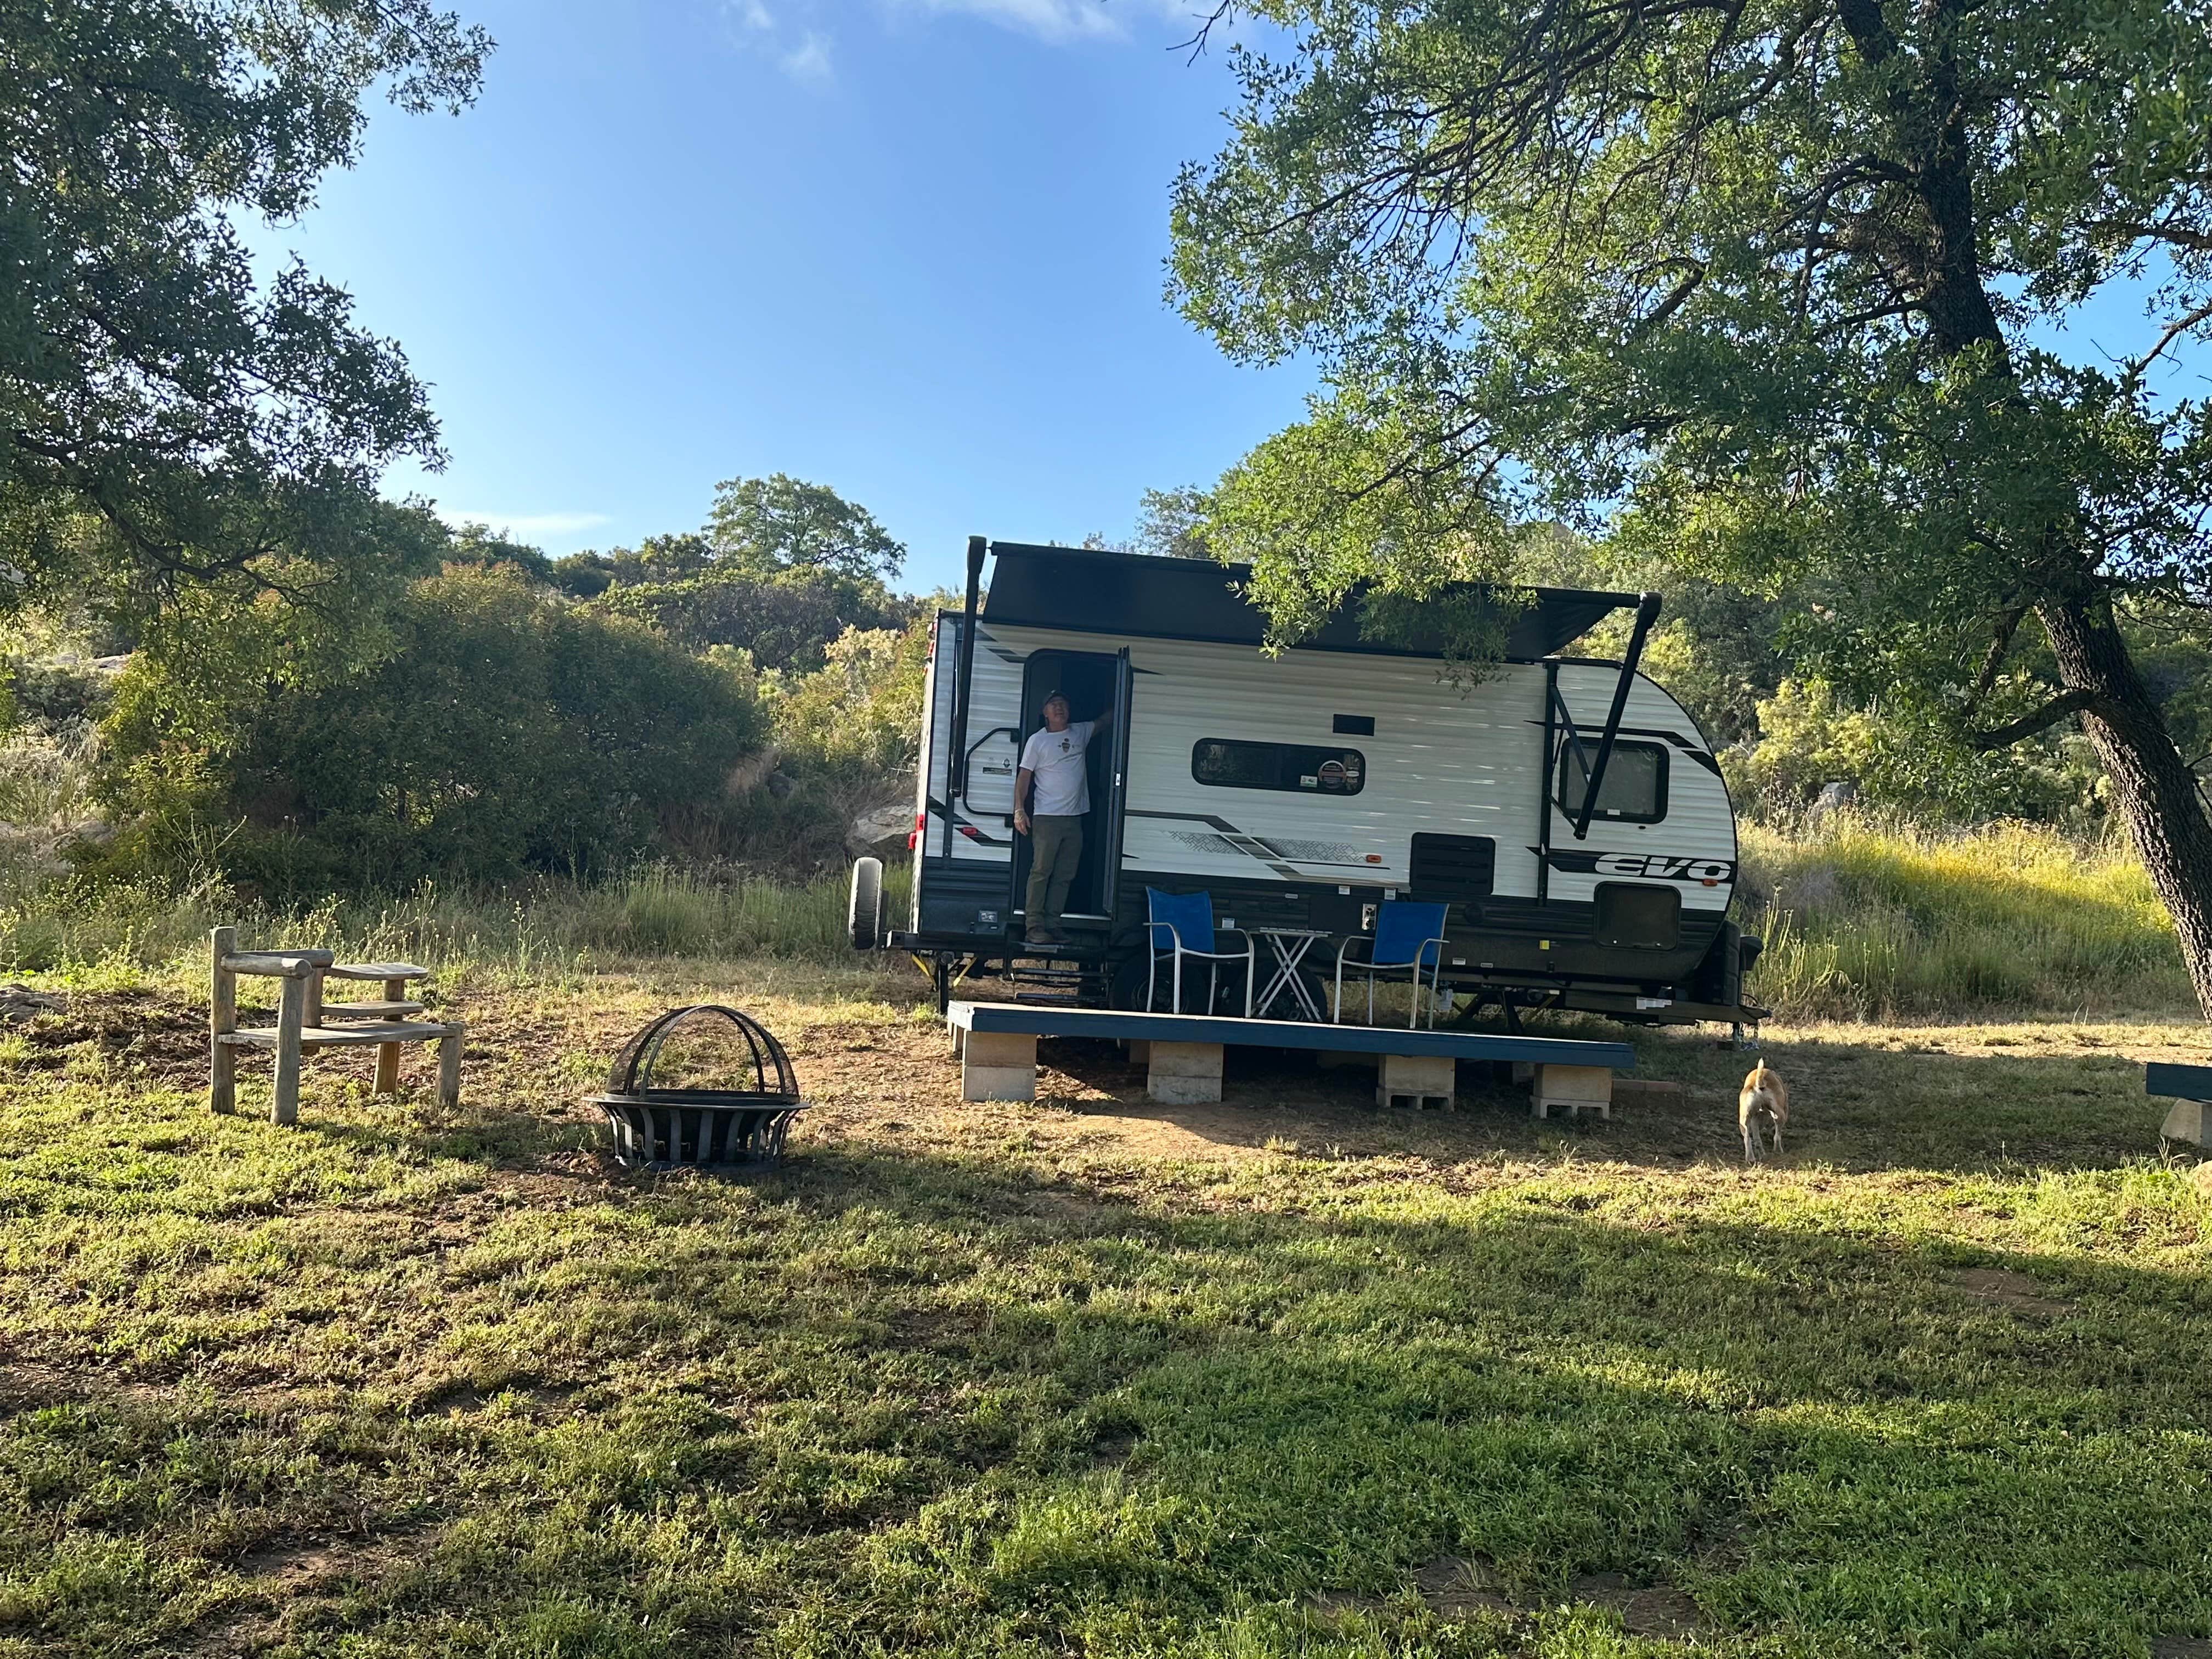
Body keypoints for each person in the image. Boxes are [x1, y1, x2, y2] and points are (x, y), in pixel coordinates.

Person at [1013, 690, 1110, 945]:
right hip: (1047, 818)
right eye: (1053, 705)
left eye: (1063, 704)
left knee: (1065, 875)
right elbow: (1024, 778)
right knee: (1041, 871)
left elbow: (1103, 723)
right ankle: (1034, 926)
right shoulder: (1038, 741)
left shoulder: (1080, 732)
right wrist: (1019, 810)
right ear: (1044, 713)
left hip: (1074, 819)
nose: (1059, 708)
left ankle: (1053, 924)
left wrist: (1126, 700)